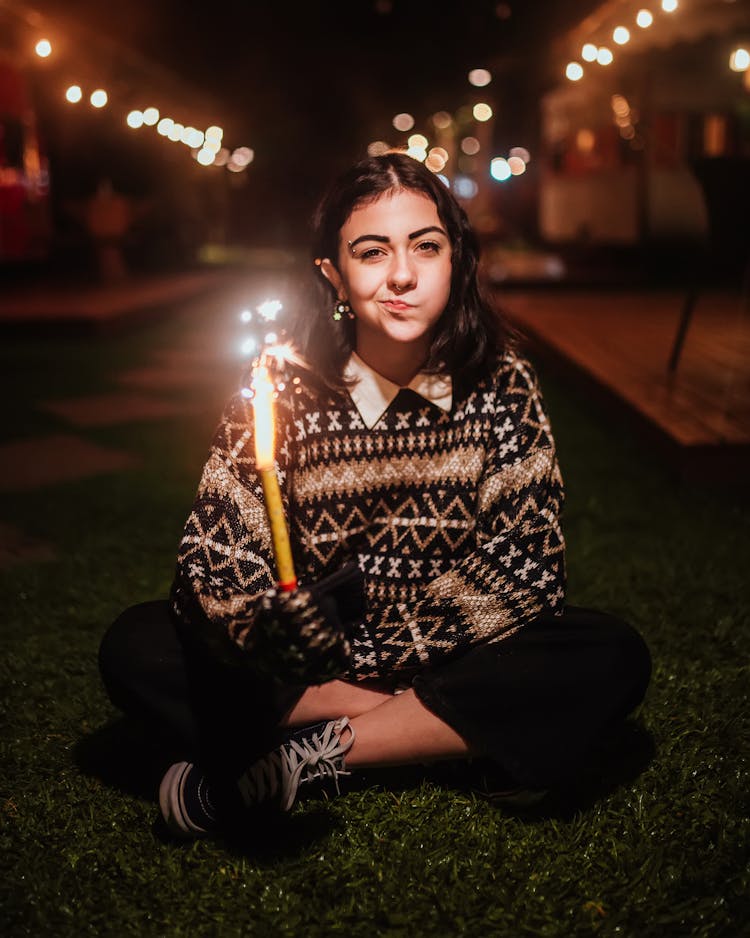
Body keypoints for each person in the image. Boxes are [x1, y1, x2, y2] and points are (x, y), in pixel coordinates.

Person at [99, 152, 651, 839]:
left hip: (453, 648)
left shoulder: (502, 383)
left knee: (609, 653)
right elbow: (216, 552)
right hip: (315, 666)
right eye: (371, 251)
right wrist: (267, 633)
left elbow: (527, 566)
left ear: (457, 258)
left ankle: (305, 758)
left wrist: (379, 656)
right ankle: (435, 733)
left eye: (426, 246)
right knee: (137, 644)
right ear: (332, 273)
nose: (402, 275)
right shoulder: (282, 386)